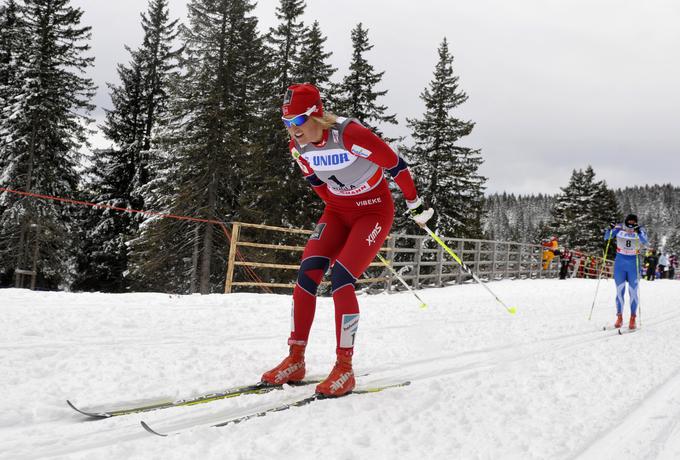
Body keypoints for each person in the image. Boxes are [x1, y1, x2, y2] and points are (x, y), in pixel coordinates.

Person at [261, 83, 433, 397]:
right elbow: (316, 183)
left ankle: (344, 367)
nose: (293, 130)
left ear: (316, 115)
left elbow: (396, 166)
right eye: (286, 124)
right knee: (307, 274)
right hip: (338, 211)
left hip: (373, 213)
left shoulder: (349, 134)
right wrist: (341, 202)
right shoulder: (298, 148)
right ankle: (296, 359)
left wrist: (415, 204)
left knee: (341, 278)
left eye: (298, 121)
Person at [604, 214, 648, 330]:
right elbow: (607, 237)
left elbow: (645, 240)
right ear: (626, 221)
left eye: (634, 221)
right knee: (619, 291)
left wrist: (639, 232)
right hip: (620, 262)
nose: (631, 223)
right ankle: (619, 317)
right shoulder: (619, 228)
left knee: (633, 291)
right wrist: (610, 228)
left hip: (634, 262)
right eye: (630, 221)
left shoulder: (640, 229)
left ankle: (633, 317)